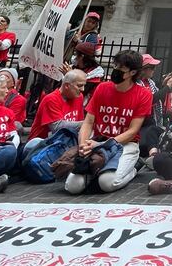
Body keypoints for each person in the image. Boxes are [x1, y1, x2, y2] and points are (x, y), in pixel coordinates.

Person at [65, 50, 152, 195]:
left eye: (121, 68)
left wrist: (102, 145)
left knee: (107, 183)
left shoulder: (143, 94)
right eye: (115, 66)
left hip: (125, 144)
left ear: (132, 72)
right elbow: (88, 122)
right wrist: (83, 144)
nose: (115, 71)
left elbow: (132, 132)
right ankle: (96, 171)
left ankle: (133, 169)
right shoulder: (102, 88)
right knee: (73, 186)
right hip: (98, 141)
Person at [24, 70, 87, 155]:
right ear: (67, 86)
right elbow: (57, 127)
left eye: (84, 85)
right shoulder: (51, 99)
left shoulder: (79, 97)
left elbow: (79, 126)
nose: (83, 89)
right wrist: (87, 123)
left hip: (64, 144)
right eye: (79, 85)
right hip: (40, 147)